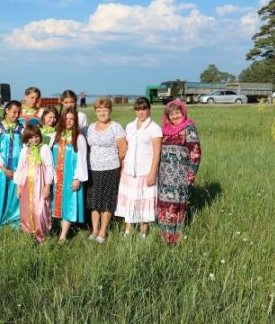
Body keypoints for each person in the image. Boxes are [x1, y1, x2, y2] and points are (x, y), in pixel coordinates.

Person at [115, 97, 162, 238]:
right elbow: (127, 148)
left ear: (149, 110)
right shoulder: (130, 126)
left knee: (144, 201)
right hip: (129, 170)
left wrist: (152, 173)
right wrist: (123, 167)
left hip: (145, 171)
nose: (141, 112)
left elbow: (157, 152)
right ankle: (128, 230)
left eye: (144, 109)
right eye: (138, 109)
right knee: (130, 200)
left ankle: (143, 232)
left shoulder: (155, 128)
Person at [157, 99, 201, 244]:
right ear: (167, 116)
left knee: (177, 207)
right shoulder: (164, 130)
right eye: (171, 114)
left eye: (178, 113)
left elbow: (195, 153)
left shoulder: (189, 128)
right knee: (163, 206)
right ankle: (163, 238)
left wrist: (191, 175)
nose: (175, 116)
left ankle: (175, 239)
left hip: (180, 176)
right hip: (164, 176)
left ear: (183, 113)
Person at [86, 97, 127, 244]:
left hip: (110, 169)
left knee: (107, 201)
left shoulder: (116, 126)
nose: (102, 113)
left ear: (110, 110)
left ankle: (103, 232)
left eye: (105, 109)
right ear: (95, 112)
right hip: (92, 169)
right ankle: (94, 230)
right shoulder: (91, 127)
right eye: (99, 110)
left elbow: (123, 149)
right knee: (94, 200)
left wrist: (115, 162)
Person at [51, 107, 88, 241]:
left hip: (70, 176)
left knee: (68, 204)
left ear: (75, 121)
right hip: (56, 176)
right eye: (66, 119)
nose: (68, 121)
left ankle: (63, 236)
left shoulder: (79, 137)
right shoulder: (56, 135)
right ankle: (55, 229)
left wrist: (77, 178)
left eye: (71, 119)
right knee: (55, 204)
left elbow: (82, 159)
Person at [14, 124, 54, 243]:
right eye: (31, 137)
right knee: (26, 208)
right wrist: (18, 186)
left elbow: (49, 167)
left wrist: (47, 186)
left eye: (36, 136)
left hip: (40, 183)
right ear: (26, 139)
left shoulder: (44, 148)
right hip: (26, 183)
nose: (34, 140)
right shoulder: (25, 150)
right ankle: (29, 233)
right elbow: (20, 168)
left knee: (40, 209)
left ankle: (41, 235)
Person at [0, 100, 23, 232]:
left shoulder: (21, 128)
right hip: (2, 168)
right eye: (14, 112)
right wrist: (3, 168)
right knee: (1, 194)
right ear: (7, 110)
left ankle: (14, 219)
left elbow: (24, 149)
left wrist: (20, 169)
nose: (16, 115)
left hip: (17, 168)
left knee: (15, 195)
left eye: (18, 112)